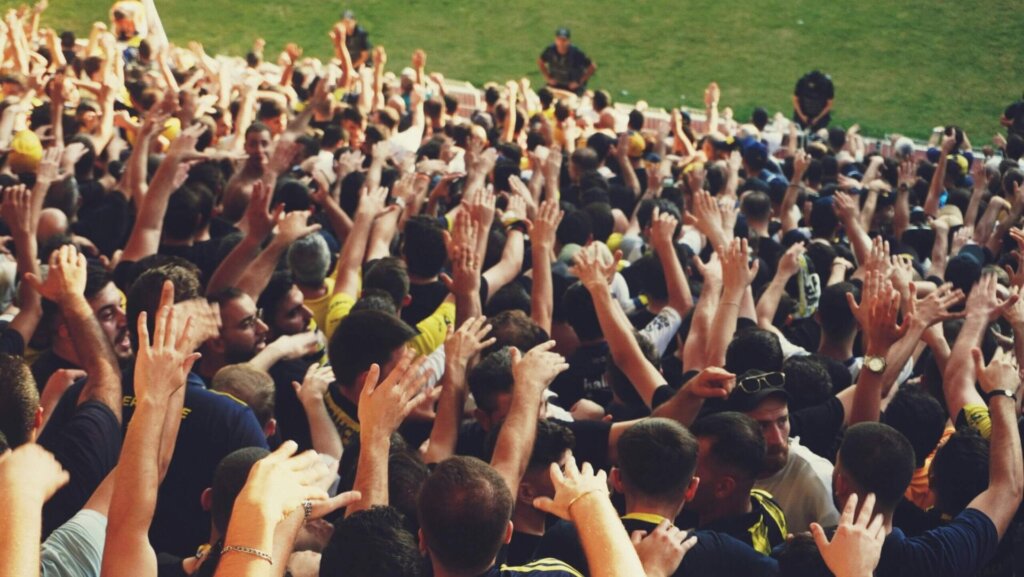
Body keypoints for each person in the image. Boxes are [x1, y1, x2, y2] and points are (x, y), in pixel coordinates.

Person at [537, 28, 596, 96]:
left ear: (569, 41)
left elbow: (592, 66)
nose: (561, 43)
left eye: (564, 40)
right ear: (555, 40)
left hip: (573, 87)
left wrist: (579, 82)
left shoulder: (576, 53)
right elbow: (540, 62)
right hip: (556, 83)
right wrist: (548, 78)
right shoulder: (550, 50)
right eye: (559, 40)